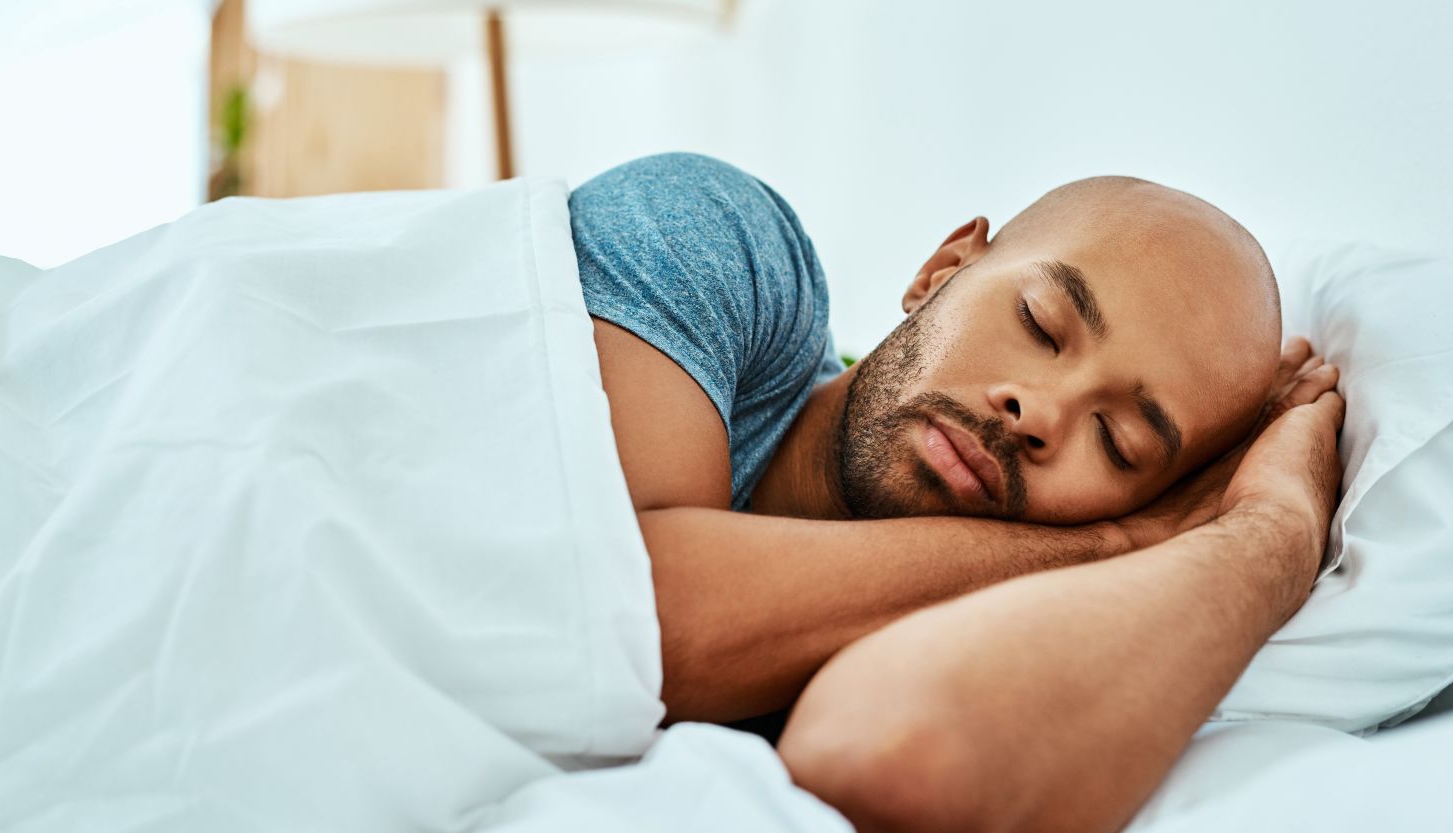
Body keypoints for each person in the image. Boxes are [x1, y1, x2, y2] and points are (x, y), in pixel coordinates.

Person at [575, 153, 1344, 832]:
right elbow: (629, 619)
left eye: (1119, 442)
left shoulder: (971, 621)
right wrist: (1119, 542)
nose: (1038, 412)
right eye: (1041, 324)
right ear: (942, 269)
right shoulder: (716, 237)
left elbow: (896, 763)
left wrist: (1274, 530)